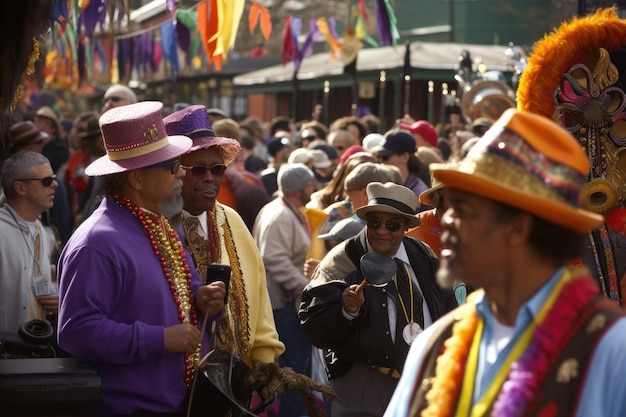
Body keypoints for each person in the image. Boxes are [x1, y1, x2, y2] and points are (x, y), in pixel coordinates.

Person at [384, 109, 626, 417]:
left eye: (465, 210)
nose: (448, 223)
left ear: (517, 228)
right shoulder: (437, 344)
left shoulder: (610, 349)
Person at [57, 101, 227, 416]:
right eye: (171, 165)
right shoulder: (96, 242)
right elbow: (76, 331)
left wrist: (201, 299)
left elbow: (183, 289)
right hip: (131, 407)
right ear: (136, 179)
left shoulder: (157, 222)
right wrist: (159, 339)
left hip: (178, 400)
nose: (181, 173)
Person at [299, 182, 457, 417]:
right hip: (362, 384)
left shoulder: (423, 255)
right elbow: (313, 324)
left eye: (392, 225)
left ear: (405, 228)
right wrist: (346, 311)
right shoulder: (343, 261)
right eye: (374, 222)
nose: (381, 231)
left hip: (417, 380)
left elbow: (446, 307)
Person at [163, 104, 285, 368]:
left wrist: (265, 360)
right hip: (177, 380)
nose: (210, 178)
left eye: (217, 169)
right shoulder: (156, 226)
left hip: (238, 377)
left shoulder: (230, 220)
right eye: (198, 169)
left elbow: (260, 298)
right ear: (174, 171)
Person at [253, 162, 315, 417]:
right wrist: (307, 286)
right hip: (284, 305)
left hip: (288, 302)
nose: (313, 188)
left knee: (295, 370)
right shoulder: (280, 215)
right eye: (309, 184)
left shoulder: (285, 210)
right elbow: (274, 260)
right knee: (293, 372)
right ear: (297, 189)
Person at [0, 151, 59, 332]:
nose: (55, 185)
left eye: (53, 178)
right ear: (20, 188)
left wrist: (54, 296)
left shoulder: (39, 227)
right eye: (47, 181)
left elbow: (33, 277)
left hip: (34, 344)